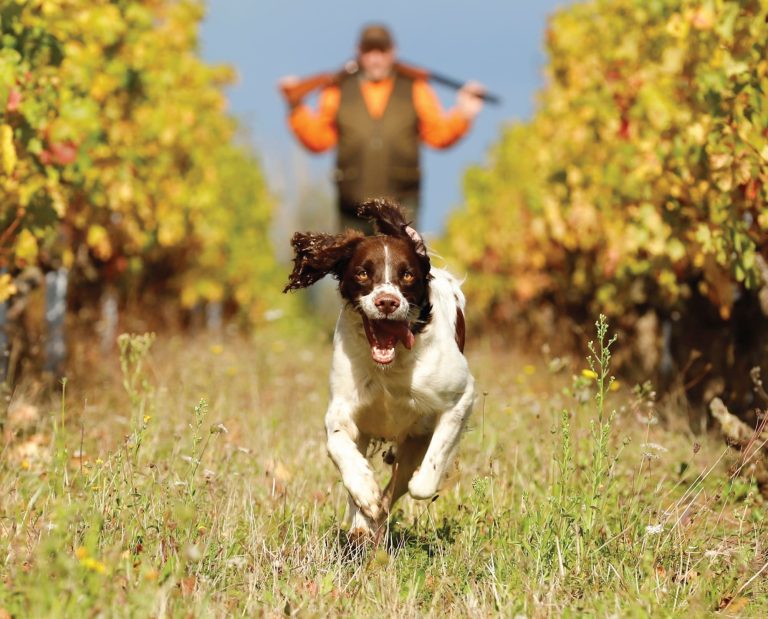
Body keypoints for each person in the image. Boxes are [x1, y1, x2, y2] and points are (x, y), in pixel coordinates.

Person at [278, 24, 485, 232]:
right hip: (353, 209)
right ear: (358, 52)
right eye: (369, 51)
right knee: (350, 264)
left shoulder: (416, 87)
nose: (376, 58)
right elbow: (318, 141)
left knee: (405, 264)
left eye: (382, 51)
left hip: (402, 209)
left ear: (393, 52)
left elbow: (438, 135)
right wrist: (296, 108)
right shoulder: (337, 89)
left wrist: (464, 114)